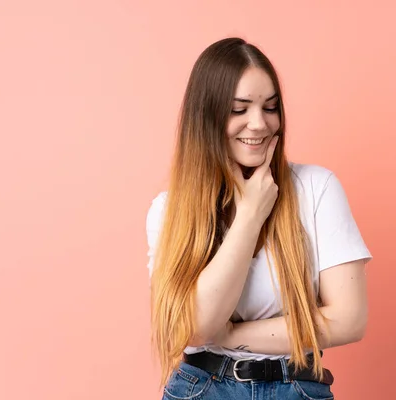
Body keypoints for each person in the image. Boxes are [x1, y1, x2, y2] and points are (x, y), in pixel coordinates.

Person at [145, 37, 372, 400]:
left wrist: (234, 335)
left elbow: (349, 319)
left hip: (296, 387)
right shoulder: (169, 210)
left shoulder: (317, 187)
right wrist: (250, 215)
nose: (259, 124)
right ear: (207, 116)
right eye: (239, 109)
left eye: (270, 107)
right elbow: (198, 328)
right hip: (201, 389)